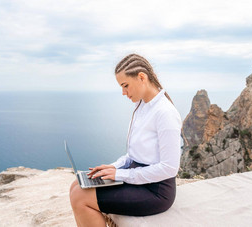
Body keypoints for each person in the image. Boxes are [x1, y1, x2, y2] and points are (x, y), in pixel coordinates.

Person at [69, 53, 182, 226]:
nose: (123, 92)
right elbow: (134, 155)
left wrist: (121, 174)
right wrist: (114, 167)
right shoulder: (142, 106)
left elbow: (169, 168)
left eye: (125, 85)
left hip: (156, 191)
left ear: (141, 77)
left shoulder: (165, 113)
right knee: (76, 185)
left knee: (80, 196)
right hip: (139, 180)